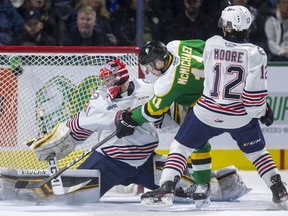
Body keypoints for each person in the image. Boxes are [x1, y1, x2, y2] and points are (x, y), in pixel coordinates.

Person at [28, 59, 250, 202]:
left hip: (145, 161)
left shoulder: (150, 89)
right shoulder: (100, 97)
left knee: (188, 190)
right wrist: (58, 142)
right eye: (104, 79)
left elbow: (170, 118)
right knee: (72, 197)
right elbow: (85, 123)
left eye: (110, 78)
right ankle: (28, 188)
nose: (107, 83)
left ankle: (224, 183)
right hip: (108, 162)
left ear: (122, 75)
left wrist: (186, 119)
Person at [139, 5, 288, 209]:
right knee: (258, 153)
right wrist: (263, 112)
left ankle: (166, 188)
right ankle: (278, 189)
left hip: (207, 112)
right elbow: (254, 99)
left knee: (180, 147)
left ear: (226, 26)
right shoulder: (257, 53)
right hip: (240, 116)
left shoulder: (211, 43)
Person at [115, 39, 216, 208]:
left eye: (149, 66)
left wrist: (131, 119)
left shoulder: (167, 82)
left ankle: (184, 186)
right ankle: (202, 185)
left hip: (208, 105)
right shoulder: (176, 46)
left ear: (159, 61)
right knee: (250, 145)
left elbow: (153, 110)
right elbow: (205, 46)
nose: (148, 71)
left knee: (187, 142)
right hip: (220, 94)